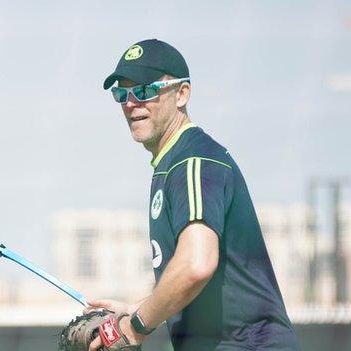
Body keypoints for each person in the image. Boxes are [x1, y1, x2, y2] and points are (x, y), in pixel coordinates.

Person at [86, 39, 301, 351]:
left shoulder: (193, 163)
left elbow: (196, 264)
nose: (131, 103)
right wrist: (138, 308)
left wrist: (134, 328)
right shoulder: (173, 164)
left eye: (145, 90)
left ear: (182, 93)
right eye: (122, 93)